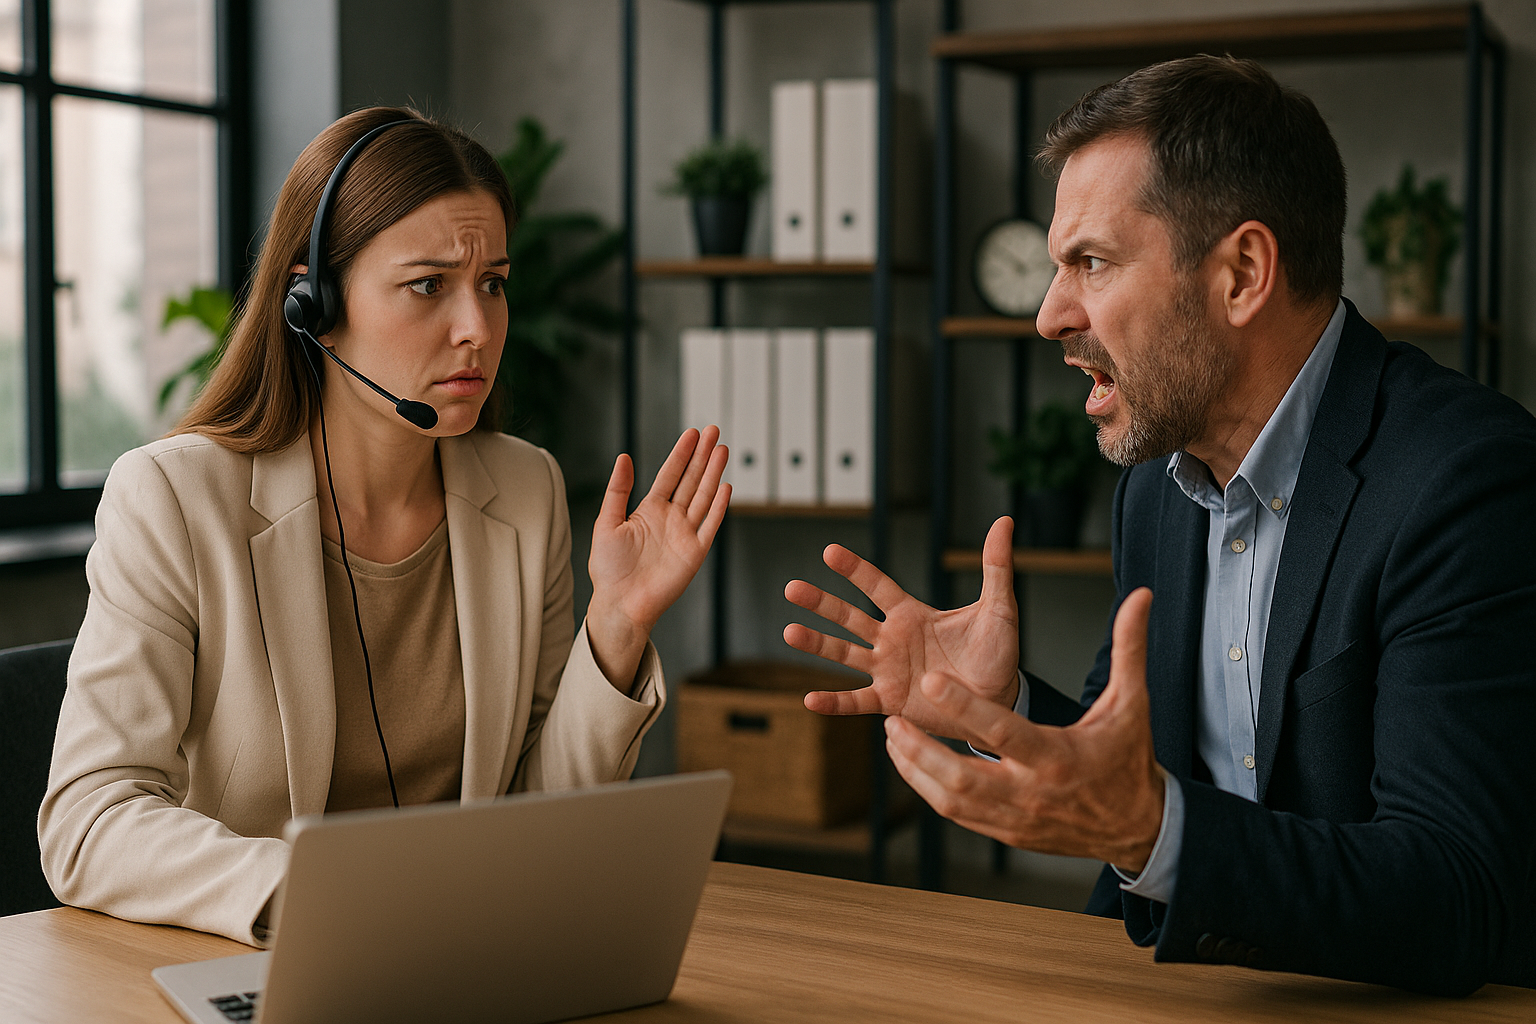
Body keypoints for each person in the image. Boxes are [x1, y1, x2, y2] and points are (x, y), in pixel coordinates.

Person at [785, 56, 1536, 995]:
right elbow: (1129, 766)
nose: (1049, 315)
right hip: (1197, 991)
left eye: (1090, 263)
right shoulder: (1158, 482)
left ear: (1242, 273)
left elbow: (1457, 897)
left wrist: (1148, 832)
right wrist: (1005, 704)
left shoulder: (1466, 481)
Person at [39, 107, 730, 947]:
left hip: (454, 960)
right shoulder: (173, 500)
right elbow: (89, 815)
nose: (477, 326)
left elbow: (539, 814)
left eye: (494, 283)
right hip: (264, 957)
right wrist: (325, 899)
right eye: (429, 284)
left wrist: (615, 626)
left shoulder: (524, 490)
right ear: (313, 303)